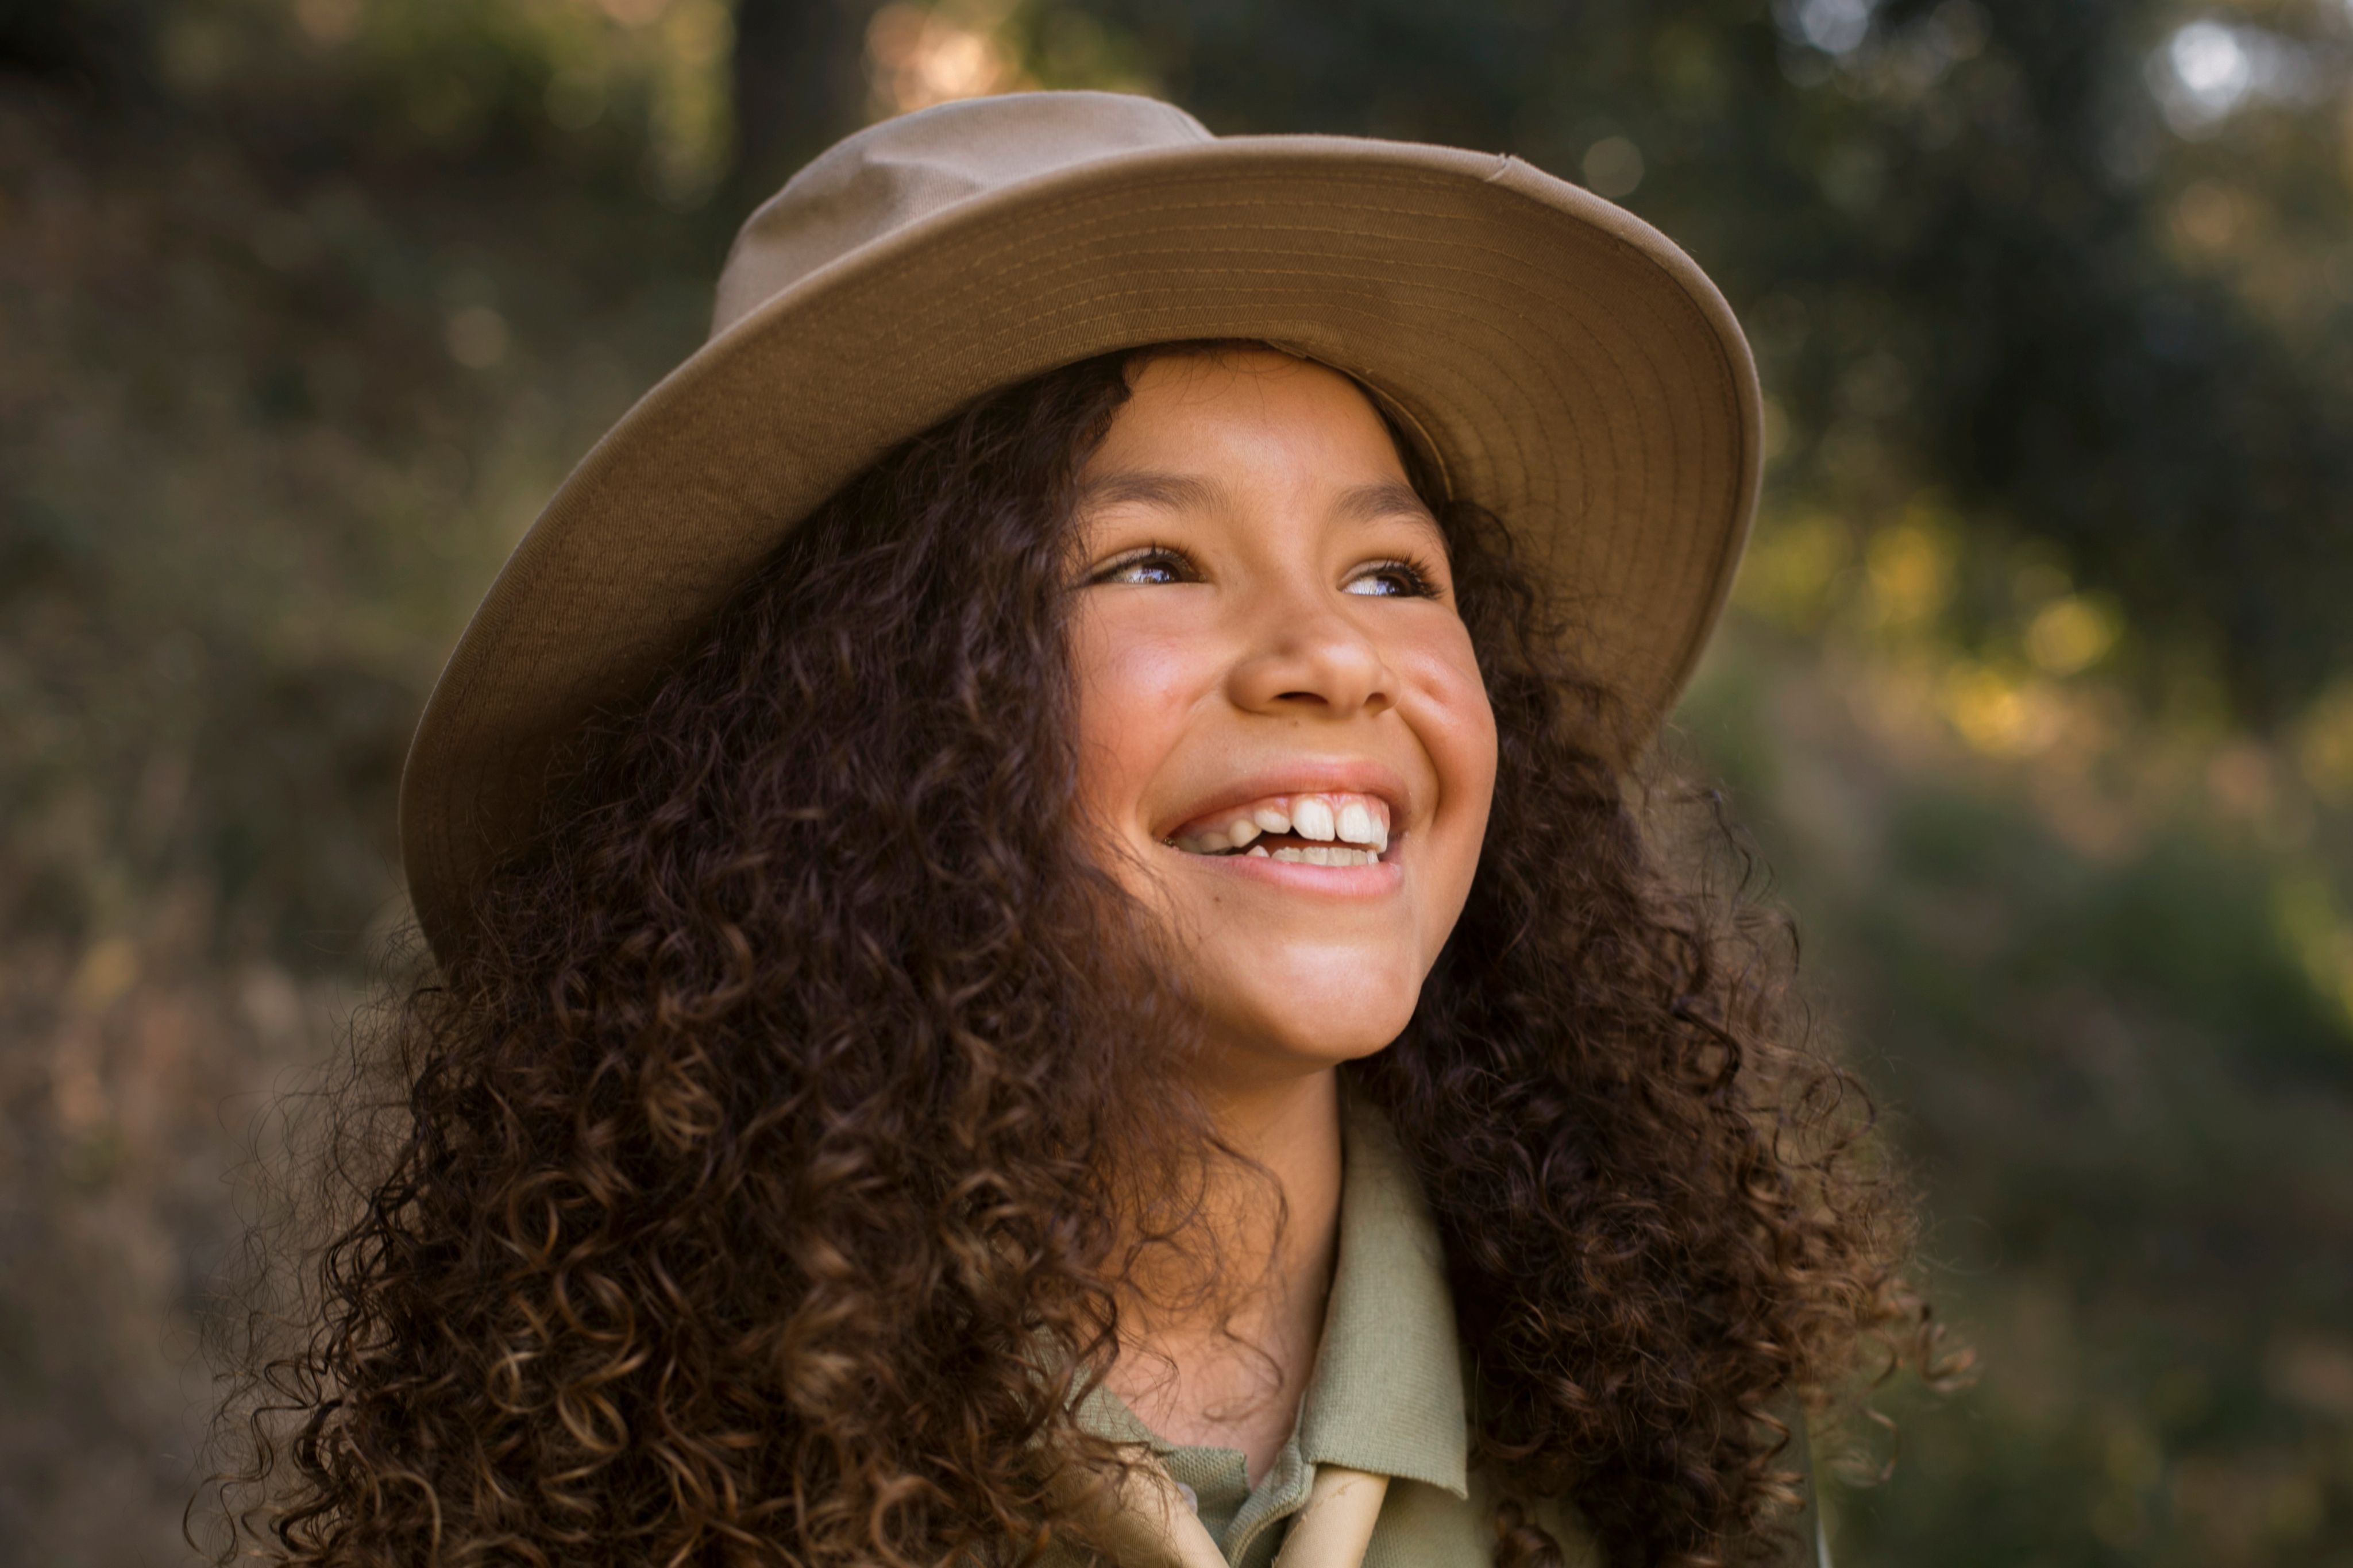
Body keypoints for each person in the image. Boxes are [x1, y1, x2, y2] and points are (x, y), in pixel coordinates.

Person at [214, 92, 1945, 1568]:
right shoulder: (635, 1463)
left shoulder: (1643, 1418)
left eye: (1390, 574)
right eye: (1151, 562)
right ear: (854, 736)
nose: (1334, 654)